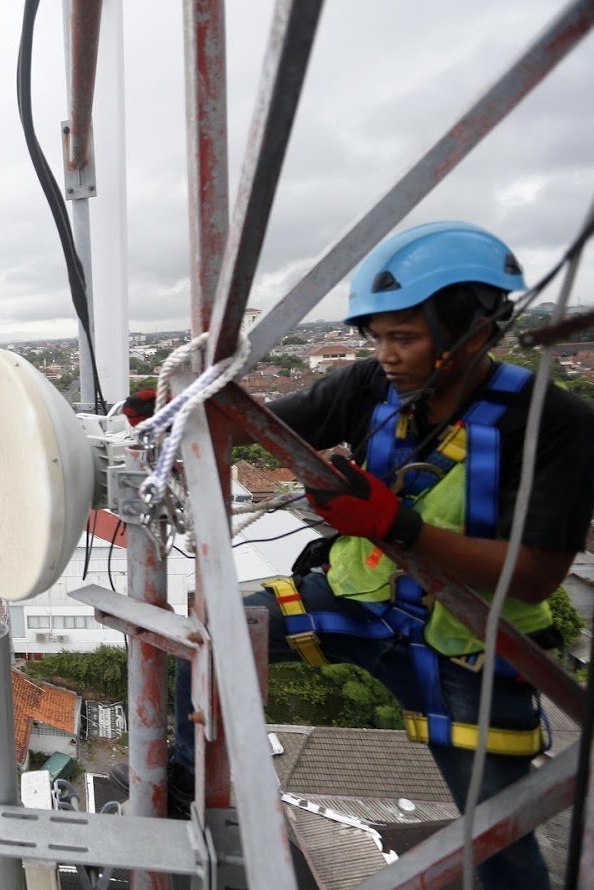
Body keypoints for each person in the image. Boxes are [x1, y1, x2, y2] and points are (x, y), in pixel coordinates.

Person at [164, 222, 594, 887]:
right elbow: (259, 426)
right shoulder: (370, 389)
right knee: (207, 638)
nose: (387, 355)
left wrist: (402, 528)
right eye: (379, 337)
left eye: (406, 338)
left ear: (475, 330)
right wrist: (178, 408)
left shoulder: (553, 423)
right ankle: (187, 790)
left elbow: (535, 577)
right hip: (361, 601)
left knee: (499, 844)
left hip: (470, 644)